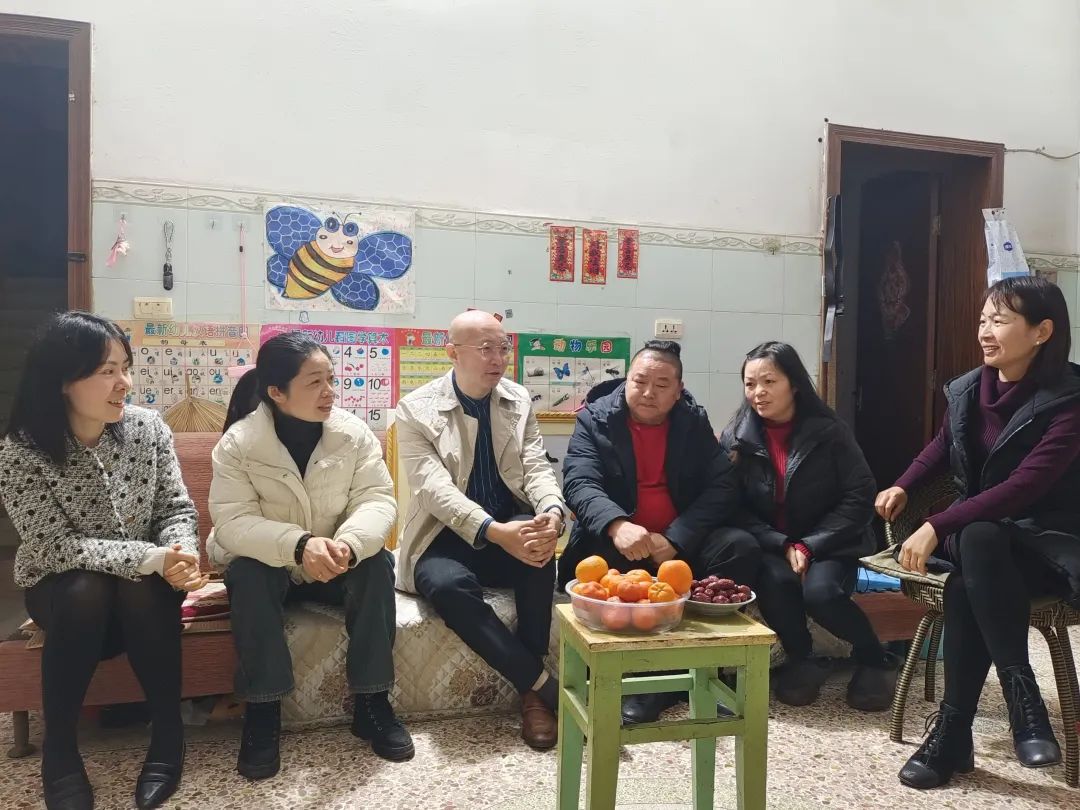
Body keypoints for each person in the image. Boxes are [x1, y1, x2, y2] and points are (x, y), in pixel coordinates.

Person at [879, 276, 1080, 789]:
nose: (985, 332)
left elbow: (1025, 486)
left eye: (1000, 321)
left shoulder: (1070, 399)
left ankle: (951, 735)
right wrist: (904, 484)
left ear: (1042, 331)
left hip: (1046, 543)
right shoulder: (969, 388)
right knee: (979, 538)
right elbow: (941, 447)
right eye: (983, 319)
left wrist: (936, 523)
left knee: (967, 573)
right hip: (981, 538)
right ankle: (1023, 699)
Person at [0, 312, 205, 810]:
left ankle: (168, 736)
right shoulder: (21, 451)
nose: (124, 383)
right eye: (107, 371)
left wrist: (180, 552)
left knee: (141, 584)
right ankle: (60, 752)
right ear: (62, 380)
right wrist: (150, 556)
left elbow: (175, 508)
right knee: (86, 587)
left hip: (143, 601)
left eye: (126, 368)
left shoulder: (147, 428)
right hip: (65, 598)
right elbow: (53, 546)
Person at [208, 331, 410, 780]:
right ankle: (263, 712)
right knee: (247, 573)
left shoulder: (352, 434)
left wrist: (350, 545)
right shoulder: (239, 443)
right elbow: (233, 521)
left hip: (335, 560)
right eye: (315, 382)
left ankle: (373, 703)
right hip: (274, 564)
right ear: (277, 392)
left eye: (331, 379)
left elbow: (377, 499)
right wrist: (299, 545)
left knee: (377, 564)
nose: (330, 391)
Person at [394, 310, 566, 750]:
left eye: (503, 348)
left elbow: (536, 466)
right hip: (443, 535)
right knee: (446, 585)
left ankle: (533, 698)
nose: (498, 358)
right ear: (452, 353)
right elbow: (434, 491)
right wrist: (492, 530)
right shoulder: (415, 409)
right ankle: (540, 684)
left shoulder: (517, 399)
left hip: (508, 526)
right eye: (485, 348)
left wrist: (551, 509)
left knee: (538, 548)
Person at [559, 340, 749, 723]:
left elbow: (724, 484)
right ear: (626, 380)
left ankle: (698, 672)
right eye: (640, 381)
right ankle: (643, 680)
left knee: (739, 547)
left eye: (662, 385)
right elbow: (579, 482)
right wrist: (617, 524)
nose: (648, 392)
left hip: (678, 547)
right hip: (619, 544)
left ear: (678, 391)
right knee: (600, 564)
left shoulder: (691, 422)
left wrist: (676, 537)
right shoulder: (595, 419)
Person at [720, 341, 896, 710]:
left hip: (830, 541)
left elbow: (859, 496)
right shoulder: (737, 436)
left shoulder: (830, 432)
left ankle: (874, 657)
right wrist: (781, 542)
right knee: (777, 582)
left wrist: (809, 545)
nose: (758, 392)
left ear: (794, 384)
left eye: (769, 381)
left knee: (821, 593)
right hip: (772, 542)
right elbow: (730, 505)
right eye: (750, 384)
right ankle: (803, 658)